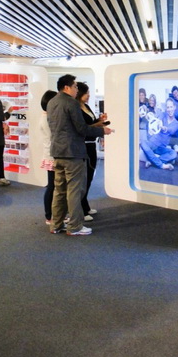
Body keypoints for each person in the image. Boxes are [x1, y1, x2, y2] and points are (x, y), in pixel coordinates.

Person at [47, 74, 112, 236]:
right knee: (75, 190)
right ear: (67, 87)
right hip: (73, 152)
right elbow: (81, 128)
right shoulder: (71, 103)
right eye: (75, 86)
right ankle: (75, 226)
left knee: (59, 190)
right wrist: (102, 131)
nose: (77, 89)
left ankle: (56, 225)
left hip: (57, 152)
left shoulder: (52, 102)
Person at [76, 82, 107, 220]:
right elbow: (83, 128)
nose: (88, 95)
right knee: (84, 178)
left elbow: (90, 124)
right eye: (86, 93)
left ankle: (85, 205)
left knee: (89, 177)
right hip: (84, 145)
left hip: (91, 144)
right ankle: (81, 209)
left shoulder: (86, 106)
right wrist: (98, 125)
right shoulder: (76, 109)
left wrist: (100, 120)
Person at [140, 97, 178, 170]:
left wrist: (165, 128)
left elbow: (171, 130)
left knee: (174, 154)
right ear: (166, 108)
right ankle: (162, 165)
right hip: (152, 143)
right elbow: (155, 119)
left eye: (171, 107)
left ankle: (151, 161)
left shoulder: (176, 123)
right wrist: (146, 112)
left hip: (161, 148)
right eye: (168, 107)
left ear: (174, 107)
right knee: (142, 143)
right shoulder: (163, 114)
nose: (169, 109)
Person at [40, 89, 58, 225]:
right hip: (52, 156)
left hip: (50, 154)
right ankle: (49, 216)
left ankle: (52, 215)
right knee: (52, 187)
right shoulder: (48, 119)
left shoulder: (45, 117)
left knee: (53, 186)